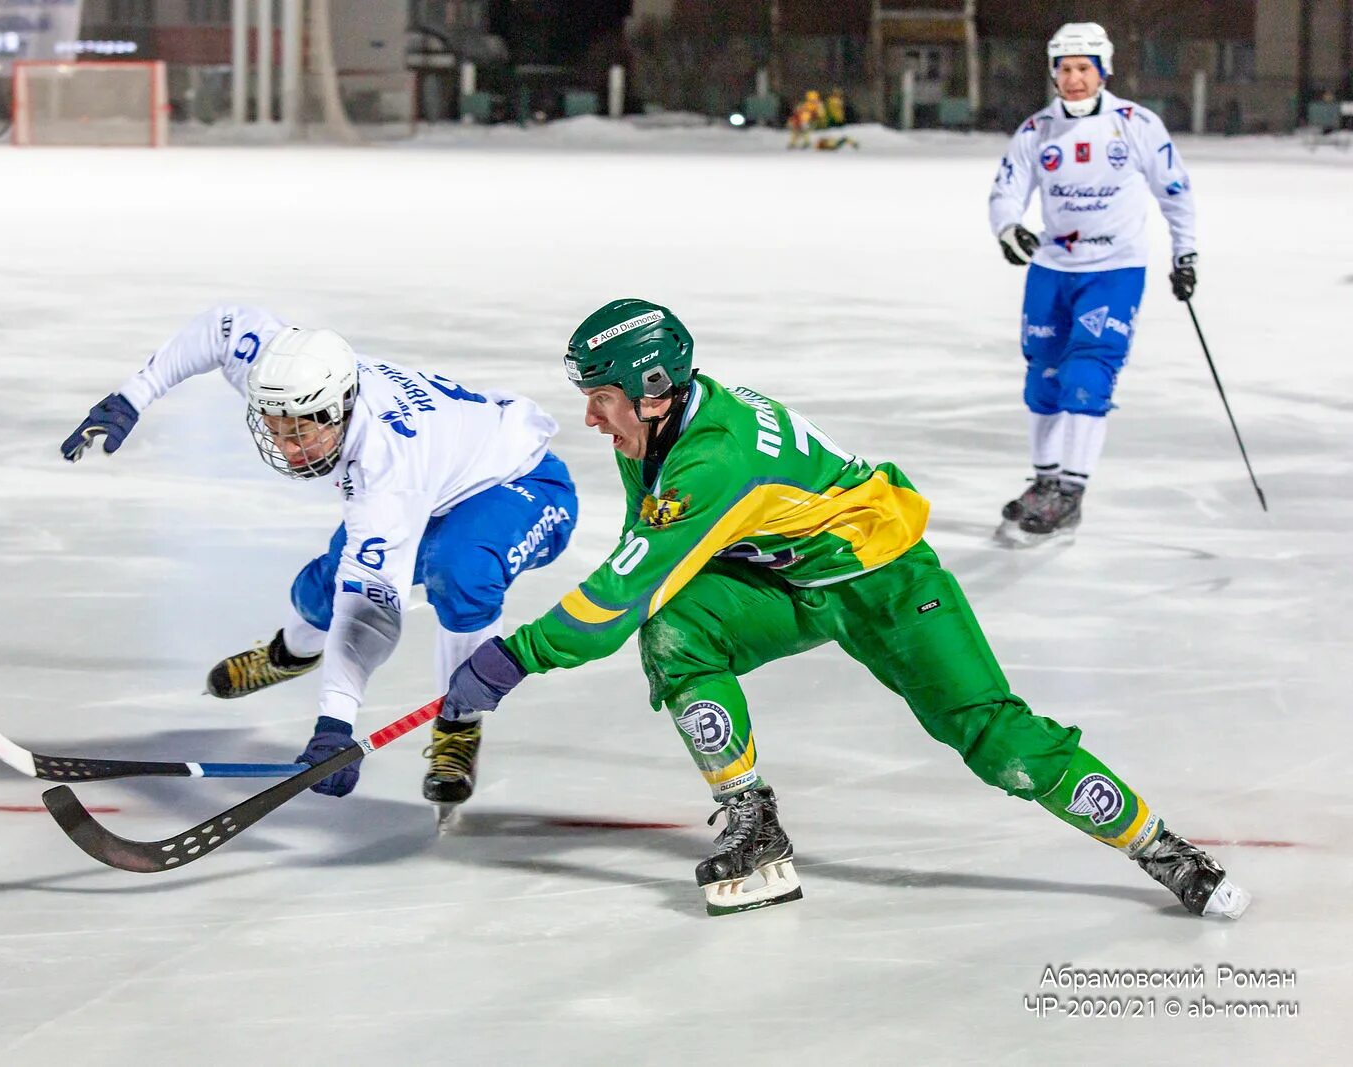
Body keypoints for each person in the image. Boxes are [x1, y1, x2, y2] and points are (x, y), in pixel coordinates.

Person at [437, 298, 1248, 920]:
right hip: (787, 582)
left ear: (652, 390)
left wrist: (510, 659)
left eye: (601, 396)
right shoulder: (655, 437)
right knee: (677, 631)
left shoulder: (711, 458)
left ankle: (1158, 846)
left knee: (992, 736)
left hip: (884, 583)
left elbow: (613, 598)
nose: (589, 416)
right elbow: (648, 567)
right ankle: (753, 823)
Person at [59, 307, 577, 816]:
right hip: (441, 482)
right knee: (327, 582)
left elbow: (371, 611)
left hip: (523, 484)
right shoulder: (284, 373)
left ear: (340, 410)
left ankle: (459, 722)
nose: (286, 447)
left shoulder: (387, 466)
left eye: (300, 433)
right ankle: (290, 653)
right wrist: (133, 395)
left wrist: (335, 722)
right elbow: (222, 328)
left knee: (461, 568)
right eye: (274, 428)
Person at [988, 22, 1196, 546]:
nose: (1075, 79)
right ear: (1054, 72)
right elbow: (1006, 191)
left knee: (1088, 372)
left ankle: (1071, 491)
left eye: (1085, 68)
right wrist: (1009, 228)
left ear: (1103, 71)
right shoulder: (1037, 131)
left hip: (1114, 269)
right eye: (1066, 69)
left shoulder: (1137, 124)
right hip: (1052, 269)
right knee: (1043, 378)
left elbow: (1175, 191)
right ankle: (1044, 481)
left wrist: (1185, 251)